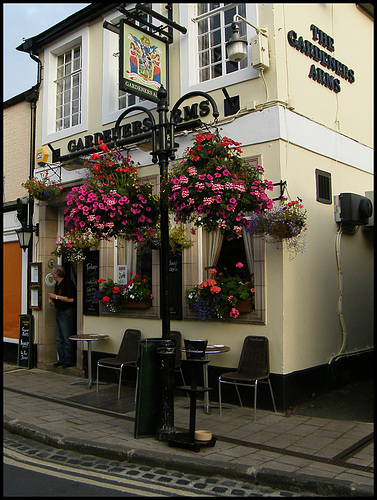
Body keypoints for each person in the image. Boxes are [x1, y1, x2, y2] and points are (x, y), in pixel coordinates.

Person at [48, 265, 76, 368]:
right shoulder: (57, 284)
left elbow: (71, 299)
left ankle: (69, 360)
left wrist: (55, 296)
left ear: (56, 274)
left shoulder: (67, 283)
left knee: (66, 336)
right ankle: (61, 359)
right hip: (59, 311)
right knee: (59, 337)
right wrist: (52, 300)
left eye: (53, 272)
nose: (52, 274)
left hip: (66, 312)